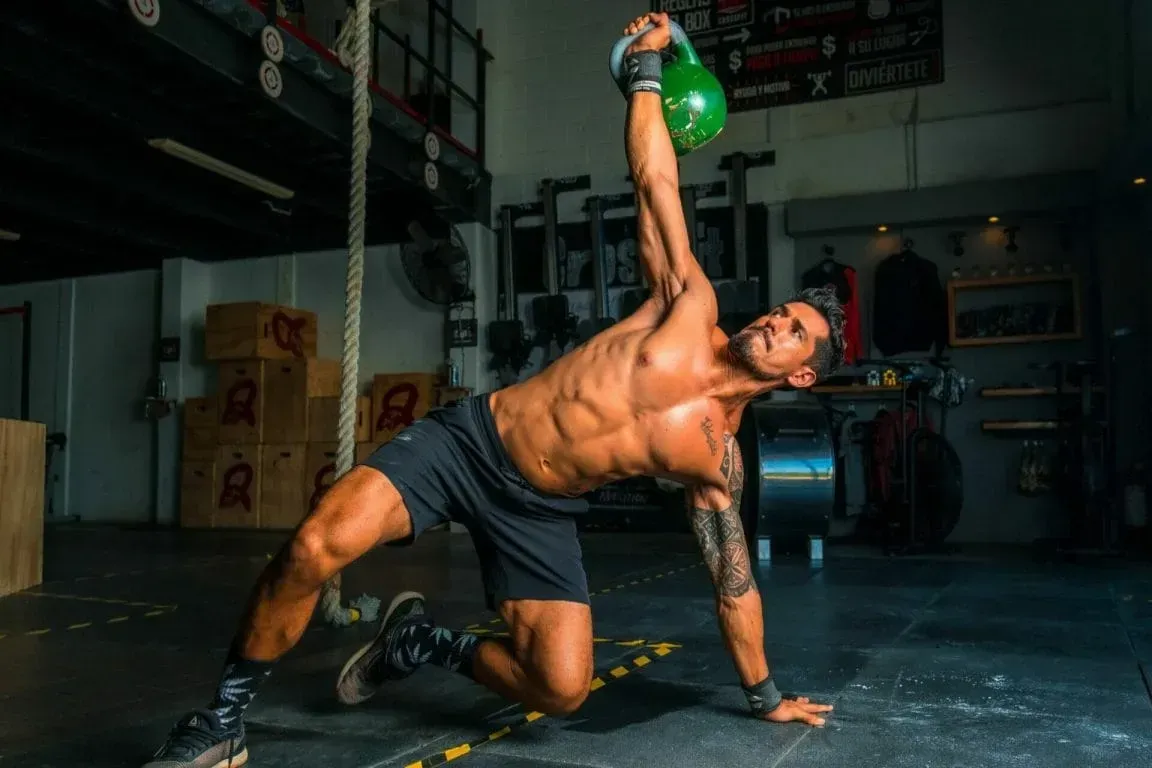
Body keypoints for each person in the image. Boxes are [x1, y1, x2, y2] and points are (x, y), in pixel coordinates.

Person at [144, 12, 843, 768]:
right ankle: (221, 721)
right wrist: (646, 68)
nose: (775, 323)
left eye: (794, 332)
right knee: (316, 546)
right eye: (782, 312)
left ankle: (419, 642)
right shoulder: (689, 307)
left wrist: (765, 697)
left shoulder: (719, 461)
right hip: (469, 444)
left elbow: (733, 584)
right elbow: (655, 176)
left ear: (800, 374)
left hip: (538, 511)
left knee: (563, 687)